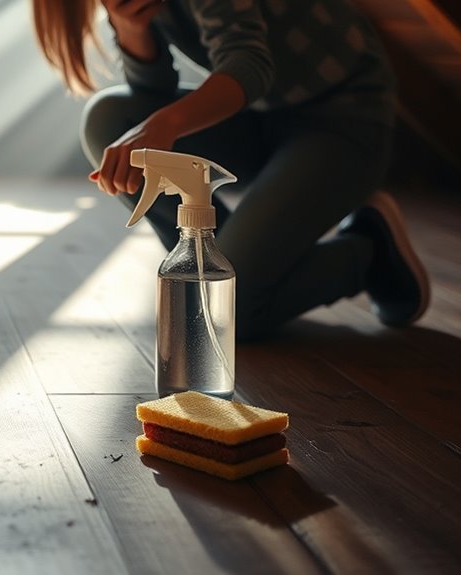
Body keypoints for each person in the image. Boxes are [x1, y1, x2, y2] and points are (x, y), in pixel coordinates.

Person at [30, 0, 430, 340]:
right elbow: (152, 91)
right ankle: (212, 272)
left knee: (229, 314)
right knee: (107, 120)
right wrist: (132, 29)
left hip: (343, 120)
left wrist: (164, 126)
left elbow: (249, 65)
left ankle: (370, 251)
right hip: (259, 120)